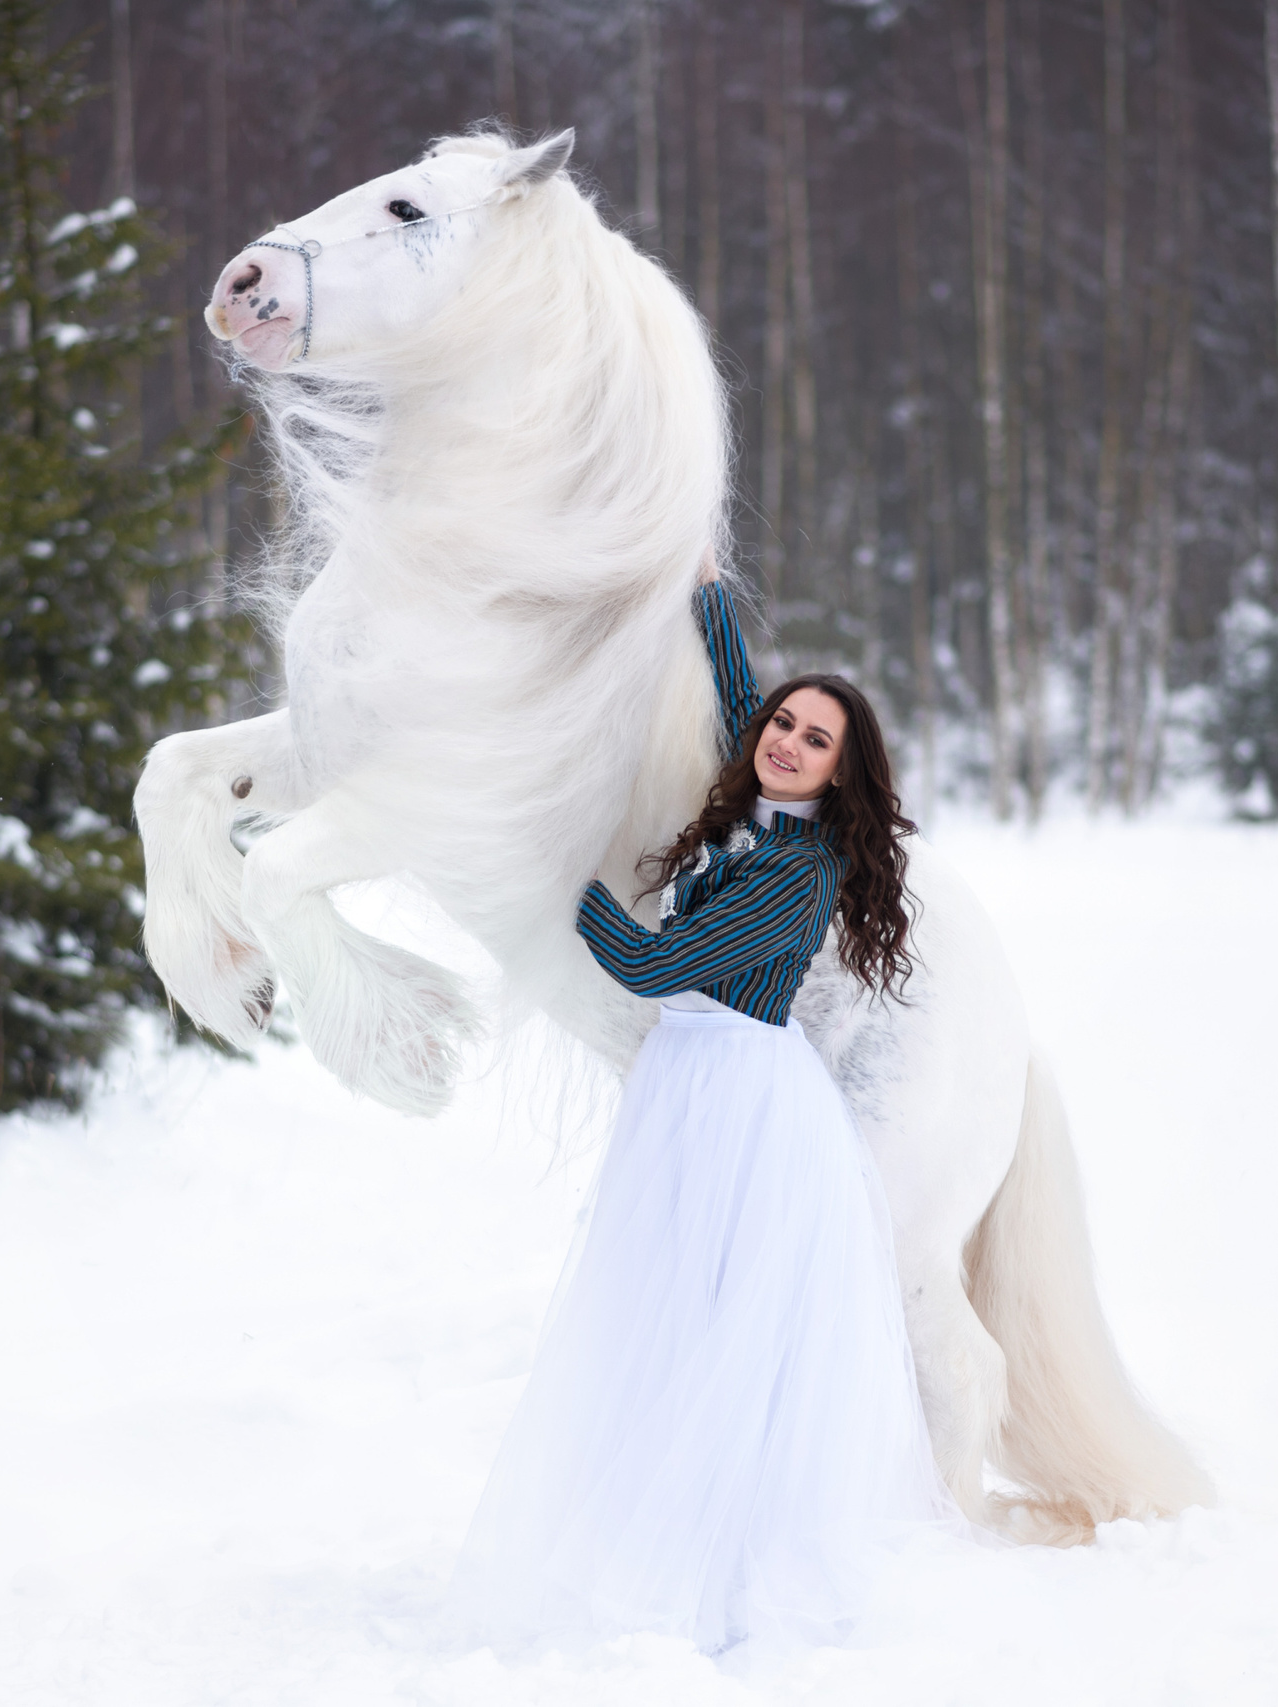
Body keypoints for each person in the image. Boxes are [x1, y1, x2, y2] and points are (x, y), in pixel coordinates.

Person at [449, 563, 952, 1656]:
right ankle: (662, 1531)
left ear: (842, 772)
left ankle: (722, 1571)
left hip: (739, 1100)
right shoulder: (760, 804)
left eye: (815, 740)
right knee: (666, 1316)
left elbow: (650, 962)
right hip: (692, 1083)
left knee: (720, 1326)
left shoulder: (796, 873)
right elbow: (738, 704)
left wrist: (558, 879)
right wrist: (708, 593)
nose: (785, 742)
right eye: (784, 725)